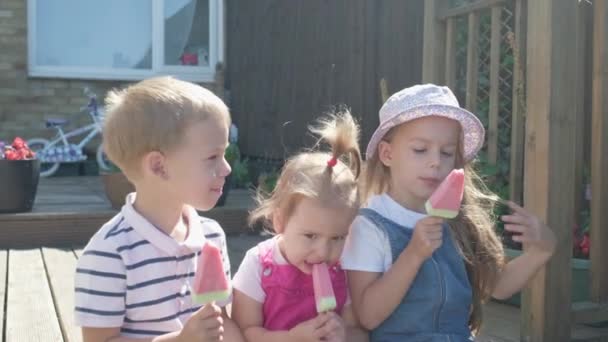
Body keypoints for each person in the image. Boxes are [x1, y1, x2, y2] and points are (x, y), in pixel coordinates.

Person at [342, 84, 557, 341]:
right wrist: (414, 254)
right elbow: (367, 315)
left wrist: (542, 251)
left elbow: (497, 286)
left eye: (447, 152)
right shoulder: (369, 227)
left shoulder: (457, 222)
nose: (436, 161)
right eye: (420, 150)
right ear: (387, 154)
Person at [74, 76, 244, 342]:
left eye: (225, 155)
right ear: (158, 167)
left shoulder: (212, 235)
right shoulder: (110, 254)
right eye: (213, 157)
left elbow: (223, 321)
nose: (226, 169)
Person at [231, 110, 368, 342]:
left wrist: (344, 334)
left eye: (337, 238)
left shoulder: (345, 269)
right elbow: (246, 332)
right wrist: (292, 337)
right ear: (280, 221)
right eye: (311, 236)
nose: (324, 252)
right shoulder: (258, 264)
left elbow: (361, 334)